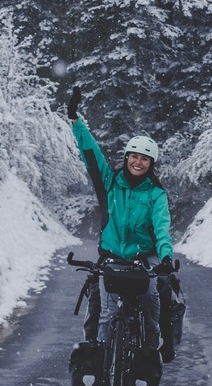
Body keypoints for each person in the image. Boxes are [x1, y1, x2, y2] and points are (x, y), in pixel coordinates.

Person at [66, 85, 173, 356]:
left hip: (144, 257)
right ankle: (102, 360)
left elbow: (161, 228)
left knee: (151, 298)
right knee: (106, 310)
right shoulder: (110, 183)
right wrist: (75, 119)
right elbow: (90, 153)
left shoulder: (156, 194)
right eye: (134, 156)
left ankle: (151, 345)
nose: (138, 162)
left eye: (144, 159)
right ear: (126, 158)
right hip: (112, 256)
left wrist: (165, 257)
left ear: (152, 164)